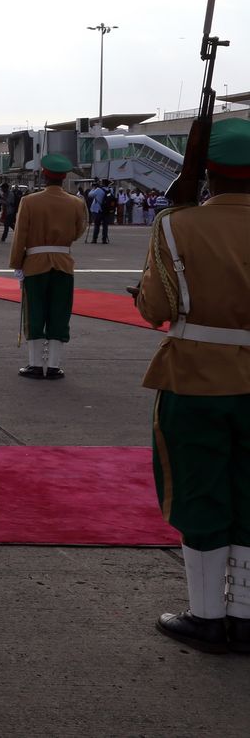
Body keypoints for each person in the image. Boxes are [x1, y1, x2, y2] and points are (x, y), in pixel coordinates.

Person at [133, 118, 250, 654]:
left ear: (208, 171)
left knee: (199, 491)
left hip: (196, 377)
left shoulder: (176, 226)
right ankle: (245, 616)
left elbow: (156, 309)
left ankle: (206, 616)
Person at [9, 156, 88, 379]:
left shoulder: (30, 201)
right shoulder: (76, 203)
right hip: (63, 263)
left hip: (35, 263)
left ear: (44, 175)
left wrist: (16, 262)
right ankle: (53, 365)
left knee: (35, 311)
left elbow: (20, 235)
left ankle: (35, 364)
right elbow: (78, 231)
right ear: (64, 178)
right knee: (59, 312)